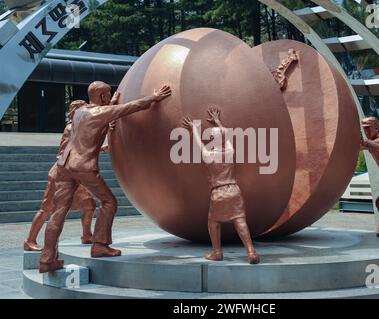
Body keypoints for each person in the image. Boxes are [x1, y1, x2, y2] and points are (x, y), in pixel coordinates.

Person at [39, 82, 172, 273]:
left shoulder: (80, 111)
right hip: (83, 166)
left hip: (65, 165)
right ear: (102, 97)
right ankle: (100, 245)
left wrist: (112, 103)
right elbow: (130, 108)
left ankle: (47, 259)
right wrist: (154, 97)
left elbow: (106, 112)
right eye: (108, 95)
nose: (109, 98)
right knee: (109, 202)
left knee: (59, 212)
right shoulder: (101, 113)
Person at [182, 107, 260, 264]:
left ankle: (217, 252)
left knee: (213, 222)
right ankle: (251, 252)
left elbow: (199, 144)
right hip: (235, 190)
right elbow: (228, 138)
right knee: (240, 220)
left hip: (219, 193)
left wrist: (194, 129)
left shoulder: (209, 156)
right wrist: (218, 122)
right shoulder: (230, 152)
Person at [24, 100, 98, 251]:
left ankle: (86, 235)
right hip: (61, 173)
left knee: (89, 205)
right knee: (46, 208)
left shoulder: (77, 128)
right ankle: (30, 240)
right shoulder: (71, 128)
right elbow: (63, 153)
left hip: (74, 173)